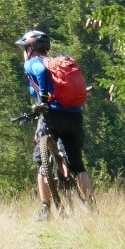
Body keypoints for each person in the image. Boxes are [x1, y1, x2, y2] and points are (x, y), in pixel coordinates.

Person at [16, 28, 93, 219]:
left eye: (24, 48)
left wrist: (42, 98)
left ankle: (45, 208)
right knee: (78, 166)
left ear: (29, 48)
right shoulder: (57, 64)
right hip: (74, 115)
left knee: (42, 164)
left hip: (52, 115)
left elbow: (40, 72)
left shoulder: (34, 63)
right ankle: (91, 206)